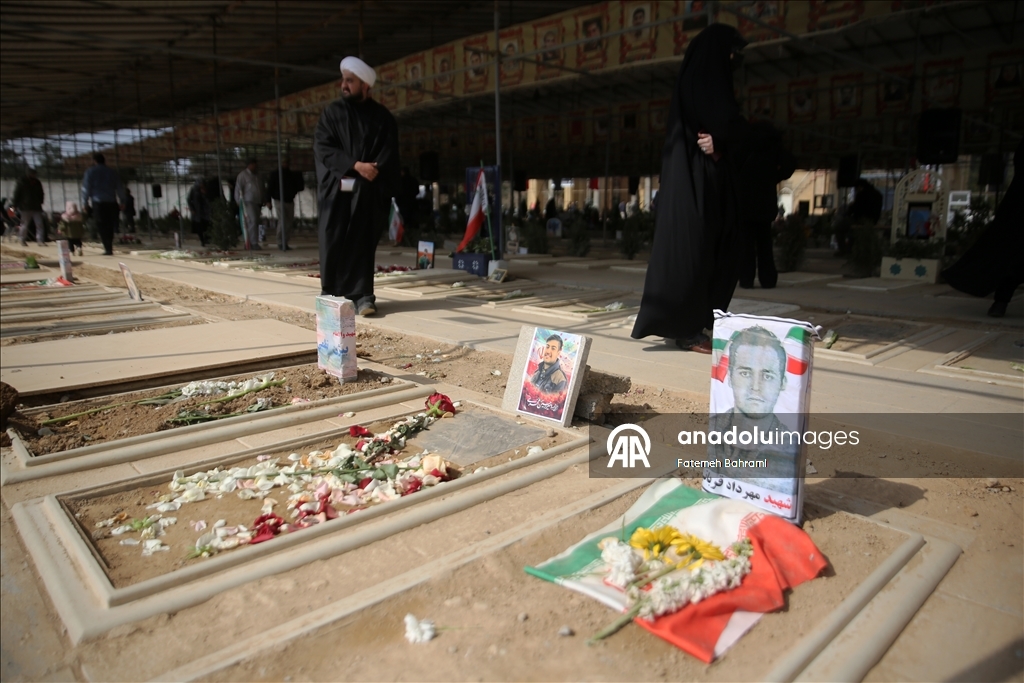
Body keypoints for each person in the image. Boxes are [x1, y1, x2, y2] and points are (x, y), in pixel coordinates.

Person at [632, 24, 750, 353]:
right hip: (700, 183)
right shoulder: (707, 80)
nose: (733, 59)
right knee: (702, 253)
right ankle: (688, 328)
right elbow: (727, 122)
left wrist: (723, 142)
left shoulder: (692, 79)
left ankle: (688, 324)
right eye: (731, 53)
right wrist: (728, 139)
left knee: (702, 252)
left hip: (692, 181)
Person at [313, 56, 399, 317]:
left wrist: (370, 170)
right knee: (334, 238)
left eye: (350, 81)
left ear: (365, 85)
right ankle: (332, 294)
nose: (344, 85)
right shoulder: (332, 114)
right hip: (337, 190)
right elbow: (323, 147)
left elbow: (388, 152)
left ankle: (363, 296)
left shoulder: (382, 118)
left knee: (361, 241)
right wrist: (355, 165)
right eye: (344, 80)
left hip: (365, 192)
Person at [708, 326, 800, 492]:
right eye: (745, 373)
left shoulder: (789, 447)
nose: (755, 387)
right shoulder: (713, 430)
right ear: (730, 377)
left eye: (767, 376)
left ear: (782, 383)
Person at [943, 139, 1023, 318]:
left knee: (1012, 262)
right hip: (1017, 213)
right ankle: (1000, 302)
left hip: (1017, 212)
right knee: (1013, 263)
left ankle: (1000, 303)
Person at [738, 121, 796, 289]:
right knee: (765, 243)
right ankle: (768, 279)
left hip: (746, 200)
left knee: (747, 244)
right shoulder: (772, 147)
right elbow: (790, 163)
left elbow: (732, 165)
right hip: (765, 200)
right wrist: (773, 177)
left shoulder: (745, 145)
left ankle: (746, 279)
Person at [81, 152, 125, 255]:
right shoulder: (112, 172)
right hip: (111, 202)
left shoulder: (90, 172)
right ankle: (109, 246)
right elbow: (119, 187)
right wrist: (122, 201)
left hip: (98, 202)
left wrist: (85, 203)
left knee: (101, 225)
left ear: (95, 161)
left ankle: (107, 247)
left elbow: (86, 188)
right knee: (110, 224)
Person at [267, 160, 303, 251]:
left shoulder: (291, 174)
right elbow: (270, 188)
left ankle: (285, 242)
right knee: (282, 221)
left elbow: (299, 186)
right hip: (279, 200)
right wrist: (268, 201)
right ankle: (280, 242)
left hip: (289, 200)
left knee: (289, 222)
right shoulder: (275, 174)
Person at [234, 158, 262, 250]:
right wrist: (239, 201)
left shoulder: (257, 175)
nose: (255, 166)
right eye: (254, 164)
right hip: (247, 201)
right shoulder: (243, 175)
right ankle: (252, 243)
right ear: (249, 164)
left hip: (256, 201)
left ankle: (252, 242)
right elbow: (238, 189)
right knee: (252, 220)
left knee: (255, 222)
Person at [13, 167, 45, 246]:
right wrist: (14, 205)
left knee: (39, 224)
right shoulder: (21, 182)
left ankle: (40, 240)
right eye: (33, 174)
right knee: (24, 224)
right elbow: (16, 194)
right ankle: (22, 239)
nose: (34, 175)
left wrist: (41, 201)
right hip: (25, 206)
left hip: (36, 207)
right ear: (29, 174)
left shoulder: (37, 182)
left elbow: (41, 193)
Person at [187, 178, 210, 247]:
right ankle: (202, 240)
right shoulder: (193, 190)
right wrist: (192, 208)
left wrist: (204, 193)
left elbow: (208, 199)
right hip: (197, 211)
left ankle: (206, 239)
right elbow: (189, 199)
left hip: (205, 211)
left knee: (206, 225)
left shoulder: (205, 189)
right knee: (199, 226)